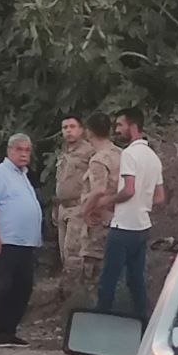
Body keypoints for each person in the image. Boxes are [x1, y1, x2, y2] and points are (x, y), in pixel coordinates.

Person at [93, 107, 165, 322]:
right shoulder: (153, 157)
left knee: (109, 279)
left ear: (133, 127)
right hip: (142, 225)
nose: (117, 130)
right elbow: (159, 197)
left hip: (124, 225)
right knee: (136, 280)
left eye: (120, 125)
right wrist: (142, 202)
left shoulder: (129, 154)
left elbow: (129, 189)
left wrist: (107, 201)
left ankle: (100, 323)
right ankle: (143, 323)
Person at [0, 133, 43, 347]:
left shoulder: (23, 175)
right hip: (7, 240)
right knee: (3, 287)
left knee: (23, 287)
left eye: (27, 150)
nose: (24, 154)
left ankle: (10, 329)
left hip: (26, 242)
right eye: (19, 149)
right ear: (9, 151)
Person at [53, 113, 94, 296]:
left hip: (78, 207)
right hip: (63, 207)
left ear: (81, 130)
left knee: (74, 254)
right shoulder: (64, 153)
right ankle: (68, 294)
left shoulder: (89, 152)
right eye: (65, 128)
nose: (68, 131)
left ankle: (76, 297)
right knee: (64, 254)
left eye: (72, 127)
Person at [79, 113, 122, 281]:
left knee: (93, 274)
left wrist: (85, 211)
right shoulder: (121, 153)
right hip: (118, 219)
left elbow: (99, 190)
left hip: (98, 221)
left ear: (88, 132)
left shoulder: (99, 159)